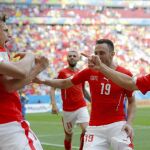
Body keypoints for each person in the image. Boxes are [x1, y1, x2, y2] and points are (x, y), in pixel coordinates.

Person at [33, 39, 136, 150]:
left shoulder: (125, 74)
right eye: (96, 53)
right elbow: (64, 83)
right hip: (94, 128)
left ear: (112, 54)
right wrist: (43, 81)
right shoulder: (89, 71)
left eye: (102, 53)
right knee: (69, 135)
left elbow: (132, 101)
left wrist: (129, 123)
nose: (97, 56)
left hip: (117, 126)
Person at [0, 14, 49, 150]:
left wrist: (37, 69)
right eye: (5, 30)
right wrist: (30, 56)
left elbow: (10, 86)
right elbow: (19, 73)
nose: (9, 35)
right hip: (7, 122)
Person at [49, 50, 90, 150]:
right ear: (67, 58)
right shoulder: (62, 73)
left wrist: (93, 101)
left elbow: (83, 90)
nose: (72, 57)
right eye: (70, 56)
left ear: (78, 58)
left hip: (81, 106)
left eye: (74, 56)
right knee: (68, 135)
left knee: (87, 131)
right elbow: (52, 87)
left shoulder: (81, 72)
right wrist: (54, 105)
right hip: (68, 110)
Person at [83, 53, 150, 94]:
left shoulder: (125, 71)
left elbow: (131, 84)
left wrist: (101, 67)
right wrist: (101, 67)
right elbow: (131, 84)